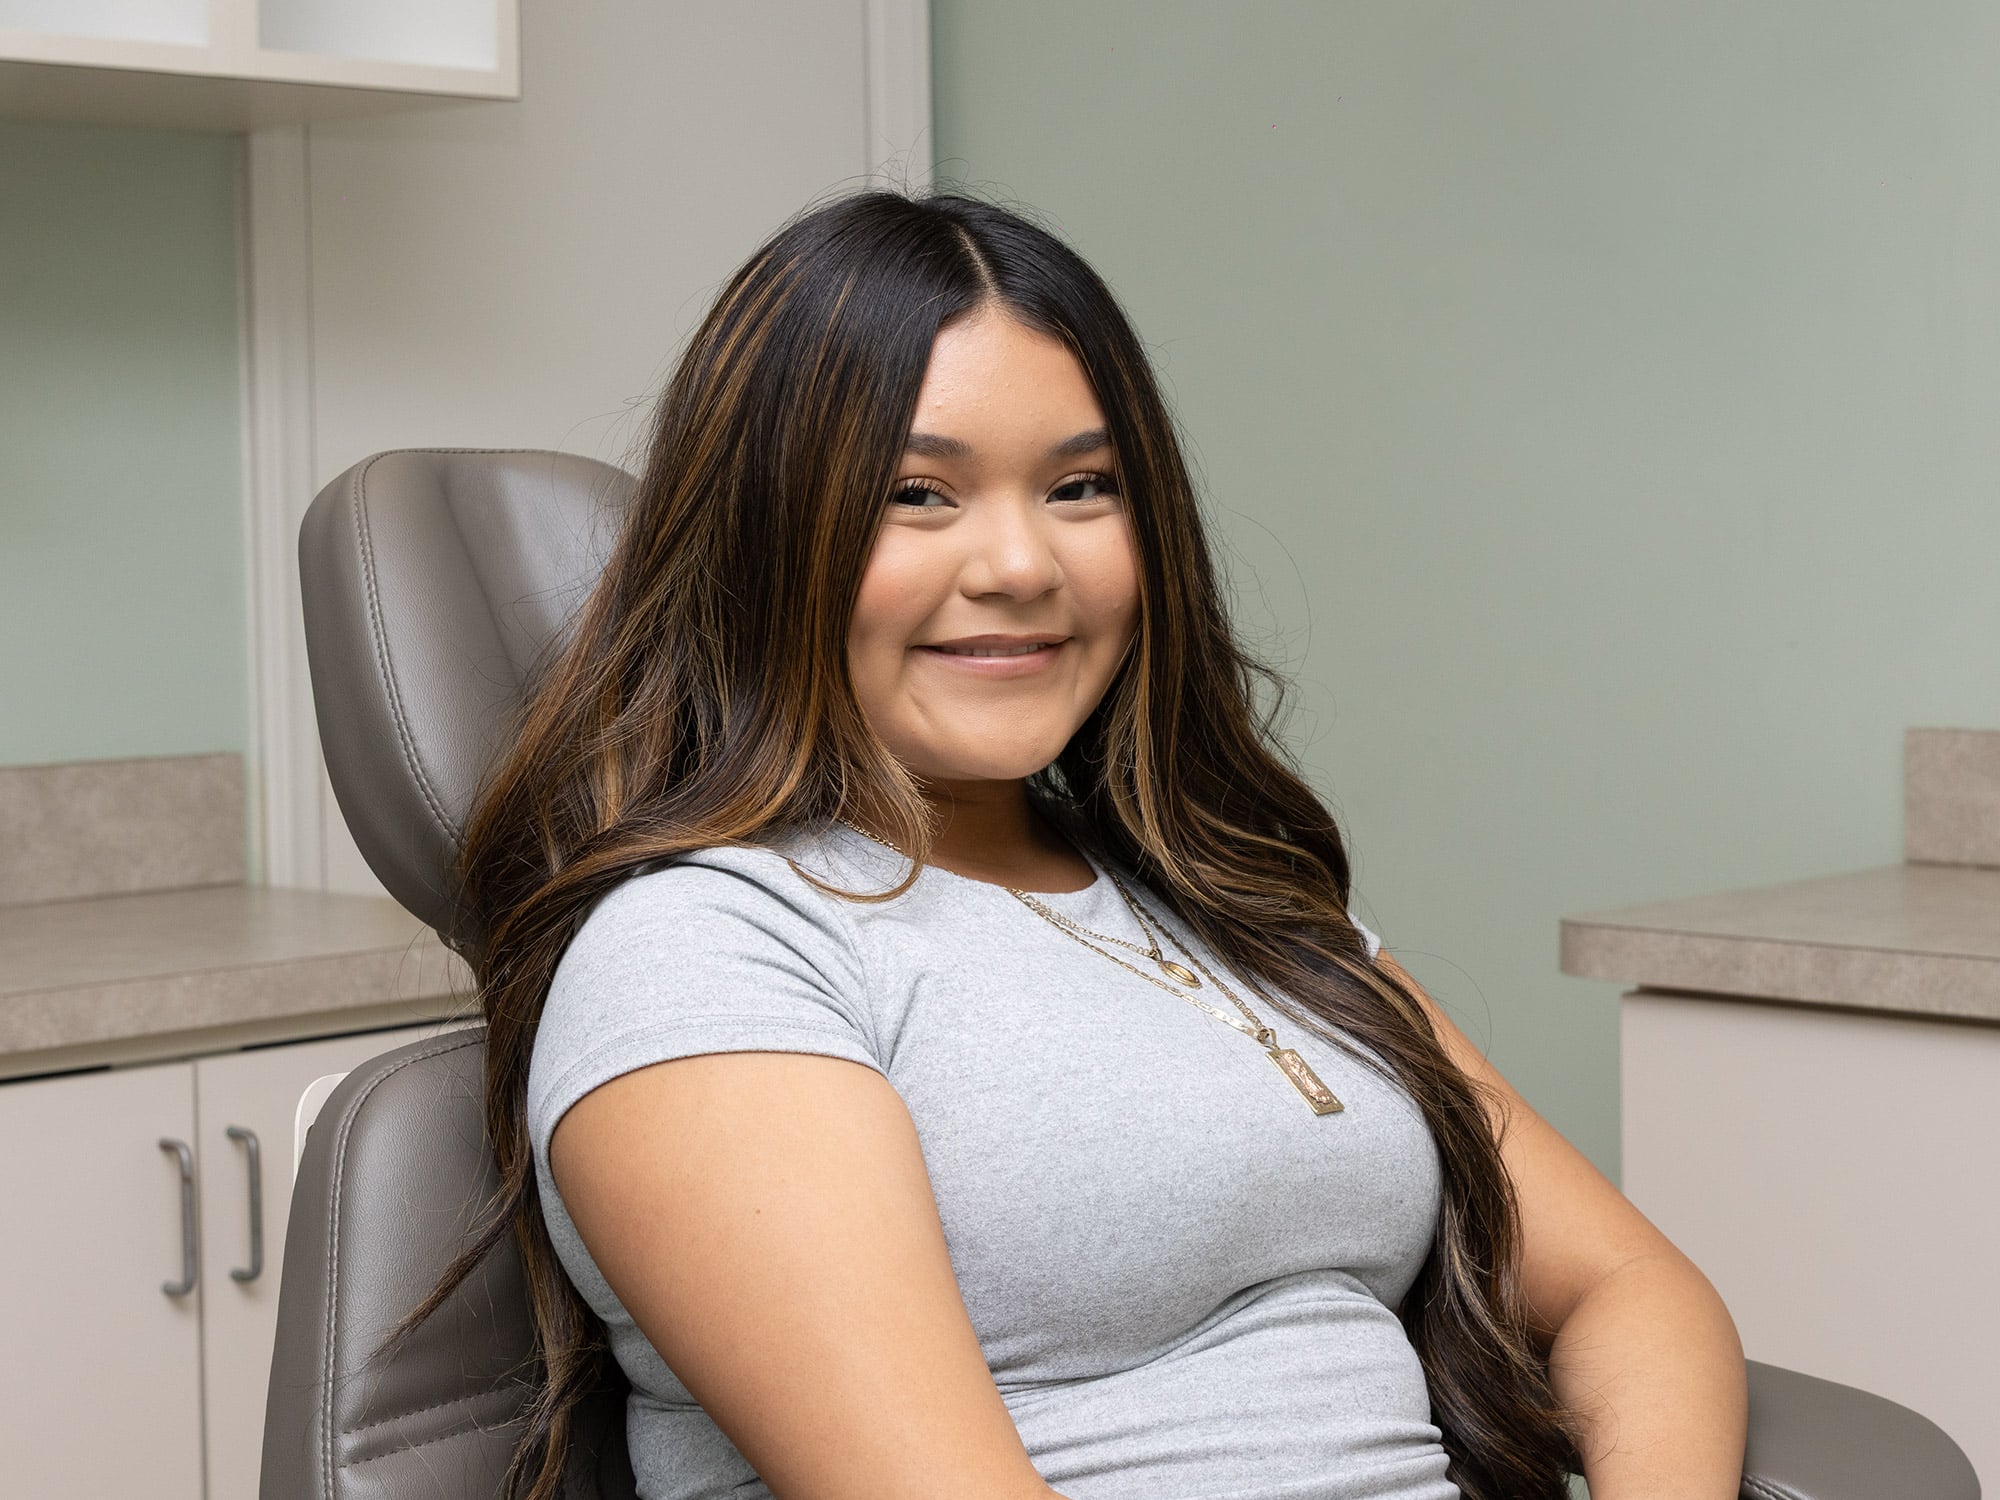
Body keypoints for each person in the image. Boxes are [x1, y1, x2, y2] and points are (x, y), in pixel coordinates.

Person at [414, 190, 1747, 1500]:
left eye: (1082, 486)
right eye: (919, 494)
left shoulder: (1228, 902)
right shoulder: (705, 956)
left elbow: (1634, 1294)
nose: (1021, 564)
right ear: (767, 537)